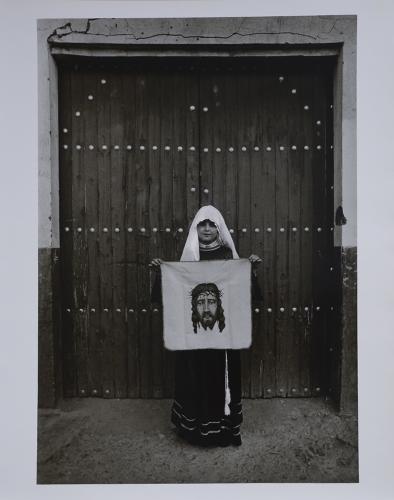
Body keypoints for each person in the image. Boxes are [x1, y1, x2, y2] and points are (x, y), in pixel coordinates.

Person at [150, 205, 262, 447]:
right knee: (194, 377)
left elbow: (240, 295)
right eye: (203, 224)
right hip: (194, 337)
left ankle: (224, 430)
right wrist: (162, 273)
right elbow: (175, 295)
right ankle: (193, 430)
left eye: (212, 224)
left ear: (219, 228)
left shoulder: (227, 257)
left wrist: (250, 271)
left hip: (222, 336)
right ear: (196, 228)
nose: (208, 229)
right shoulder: (188, 258)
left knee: (221, 379)